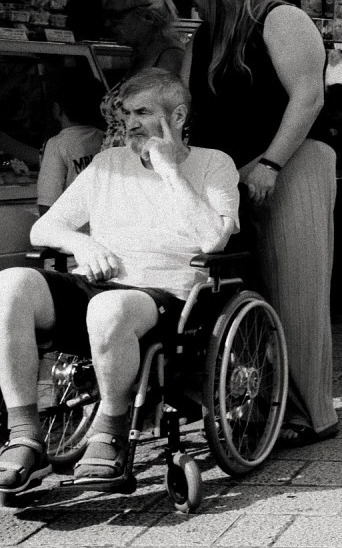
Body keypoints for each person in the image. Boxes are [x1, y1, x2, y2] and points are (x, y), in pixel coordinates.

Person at [0, 68, 237, 493]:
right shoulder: (108, 164)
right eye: (126, 113)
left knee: (107, 308)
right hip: (99, 284)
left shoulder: (214, 163)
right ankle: (24, 436)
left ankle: (109, 428)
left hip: (166, 295)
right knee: (11, 284)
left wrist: (168, 169)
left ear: (177, 116)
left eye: (143, 112)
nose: (130, 123)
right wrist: (82, 245)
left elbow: (213, 239)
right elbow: (43, 229)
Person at [184, 0, 337, 446]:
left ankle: (310, 413)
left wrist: (271, 161)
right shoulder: (206, 38)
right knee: (240, 289)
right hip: (232, 175)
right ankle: (264, 403)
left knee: (294, 291)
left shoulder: (281, 19)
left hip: (291, 164)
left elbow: (309, 96)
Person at [99, 0, 188, 149]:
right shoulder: (139, 55)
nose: (107, 23)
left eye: (115, 16)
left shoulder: (169, 58)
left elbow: (166, 128)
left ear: (147, 16)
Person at [36, 77, 106, 214]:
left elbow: (47, 202)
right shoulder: (106, 137)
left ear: (57, 109)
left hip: (73, 226)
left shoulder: (57, 144)